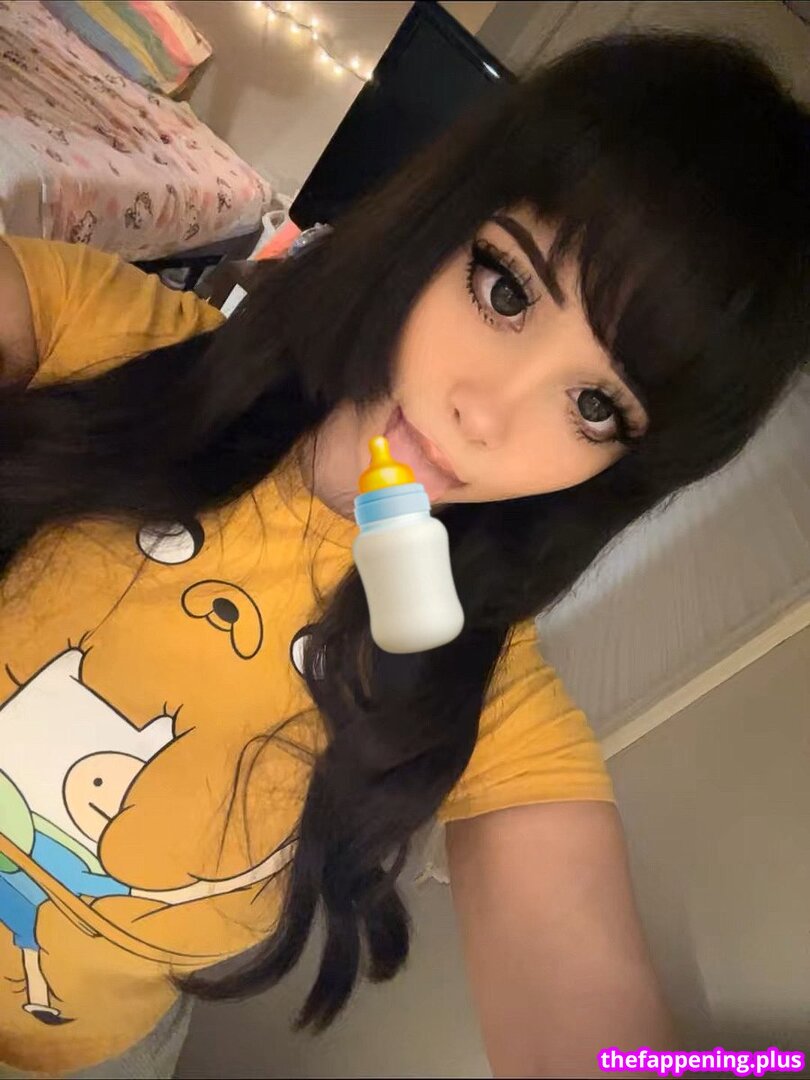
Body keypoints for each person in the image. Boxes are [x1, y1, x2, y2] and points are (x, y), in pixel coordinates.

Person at [0, 31, 807, 1080]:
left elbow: (594, 1041)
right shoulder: (100, 339)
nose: (487, 413)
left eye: (596, 405)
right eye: (507, 292)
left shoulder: (485, 705)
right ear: (442, 221)